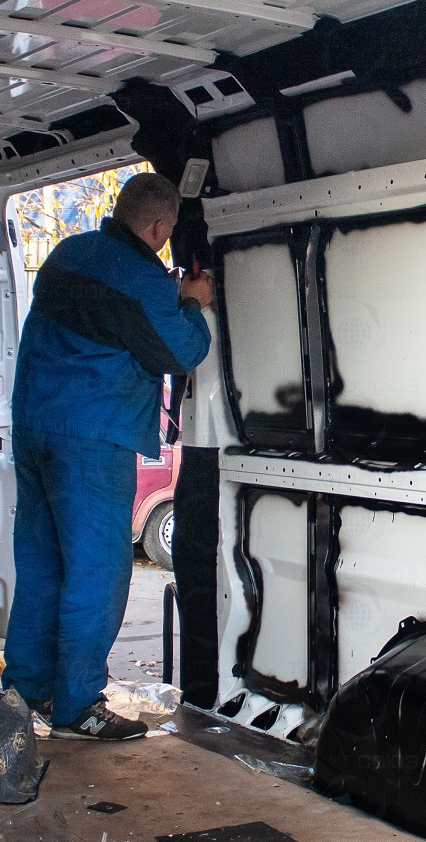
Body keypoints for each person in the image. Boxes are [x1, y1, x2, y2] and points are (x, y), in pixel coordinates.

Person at [2, 172, 213, 740]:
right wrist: (192, 304)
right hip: (92, 439)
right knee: (97, 571)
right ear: (160, 227)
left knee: (42, 565)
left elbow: (109, 321)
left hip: (35, 427)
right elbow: (179, 351)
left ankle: (23, 691)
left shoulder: (69, 253)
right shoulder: (141, 278)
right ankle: (77, 705)